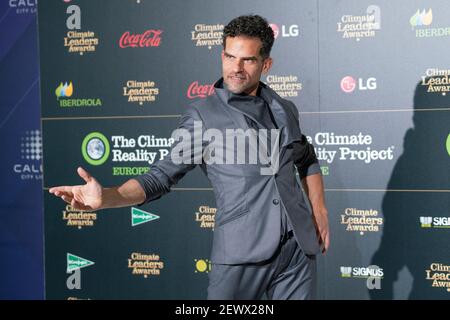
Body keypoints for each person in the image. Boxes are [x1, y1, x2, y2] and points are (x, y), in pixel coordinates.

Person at [49, 15, 330, 300]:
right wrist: (107, 197)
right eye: (230, 57)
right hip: (241, 255)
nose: (236, 68)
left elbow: (306, 158)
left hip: (296, 254)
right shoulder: (202, 116)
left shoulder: (285, 109)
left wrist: (319, 211)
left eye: (247, 60)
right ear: (222, 55)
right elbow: (159, 178)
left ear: (266, 64)